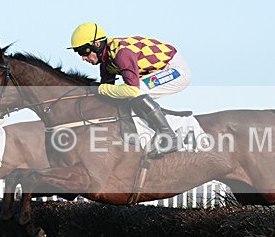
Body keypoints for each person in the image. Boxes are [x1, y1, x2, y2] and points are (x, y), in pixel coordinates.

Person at [68, 22, 191, 158]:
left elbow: (131, 90)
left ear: (97, 44)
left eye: (83, 51)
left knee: (136, 91)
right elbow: (109, 94)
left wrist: (100, 89)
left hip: (175, 70)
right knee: (122, 95)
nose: (83, 58)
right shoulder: (106, 63)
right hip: (157, 71)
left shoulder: (122, 53)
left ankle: (170, 137)